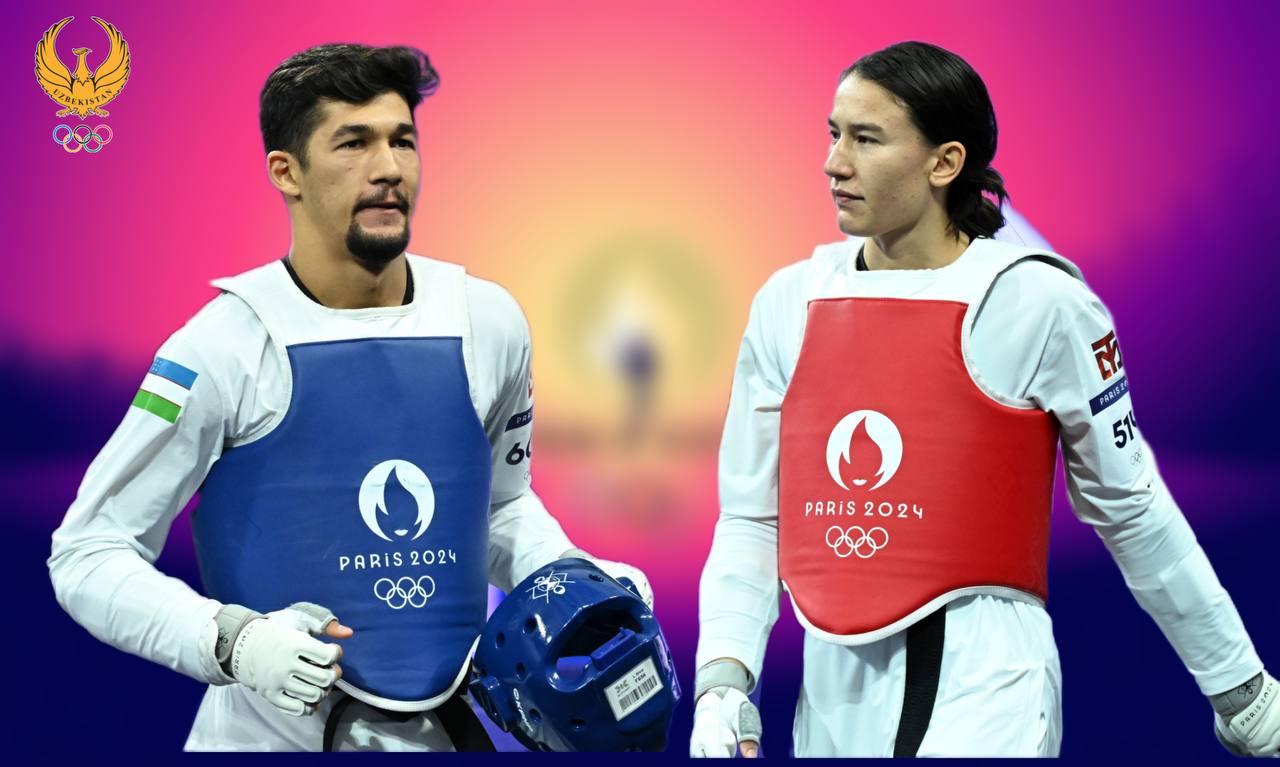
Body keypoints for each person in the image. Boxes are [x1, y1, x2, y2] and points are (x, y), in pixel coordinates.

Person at [48, 43, 651, 752]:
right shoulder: (219, 347)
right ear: (287, 172)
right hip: (264, 739)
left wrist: (570, 576)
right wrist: (233, 640)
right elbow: (88, 552)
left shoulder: (488, 322)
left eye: (403, 141)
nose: (389, 167)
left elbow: (499, 508)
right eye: (354, 143)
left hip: (451, 734)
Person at [690, 41, 1278, 758]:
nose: (834, 162)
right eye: (834, 133)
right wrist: (723, 682)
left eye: (866, 139)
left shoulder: (1042, 302)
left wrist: (1240, 689)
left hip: (991, 685)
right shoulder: (787, 303)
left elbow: (1132, 508)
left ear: (945, 162)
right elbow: (752, 514)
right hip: (833, 695)